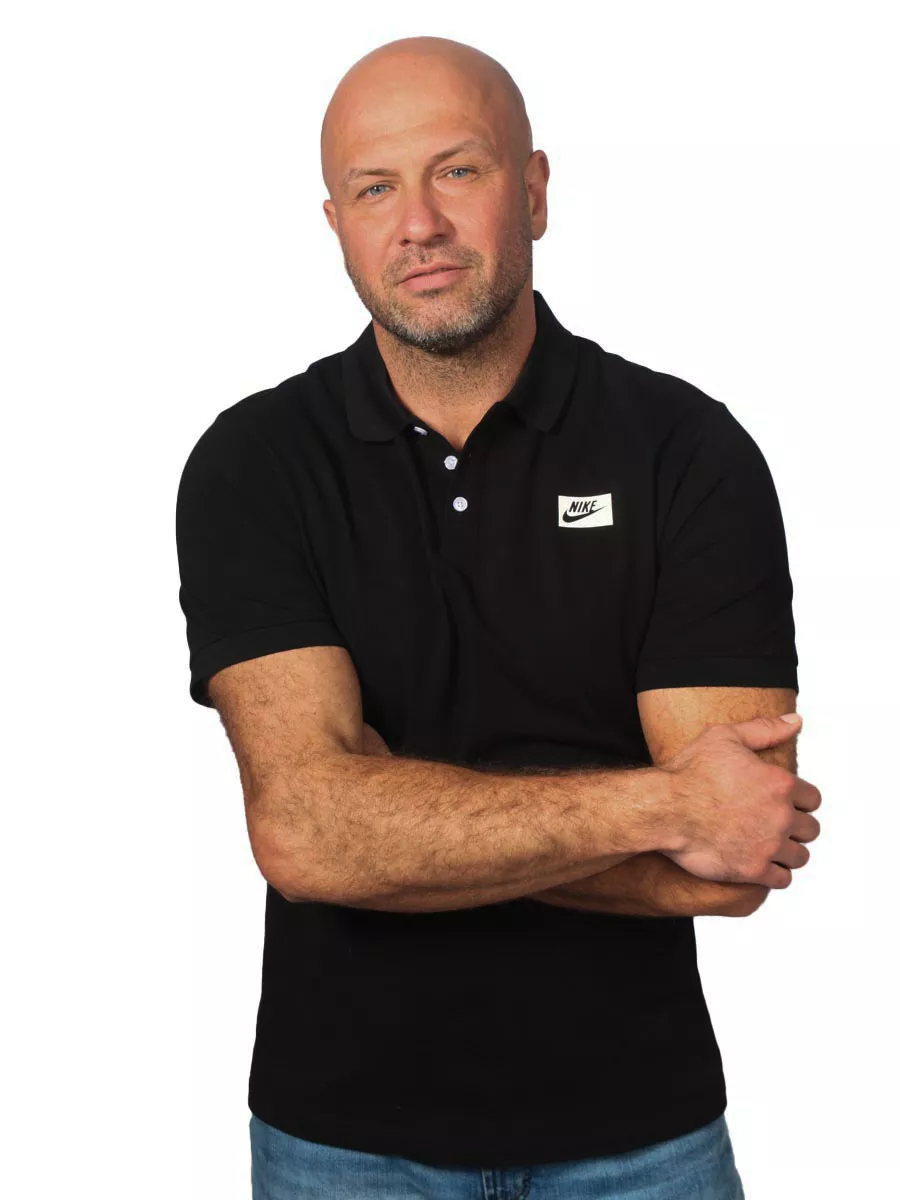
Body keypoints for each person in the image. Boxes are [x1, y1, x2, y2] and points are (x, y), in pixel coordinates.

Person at [175, 34, 822, 1200]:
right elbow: (307, 835)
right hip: (341, 1147)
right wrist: (661, 802)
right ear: (336, 223)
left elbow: (732, 858)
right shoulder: (256, 464)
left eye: (458, 171)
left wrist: (390, 822)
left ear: (532, 190)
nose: (418, 223)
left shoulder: (686, 451)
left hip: (644, 1142)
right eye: (376, 188)